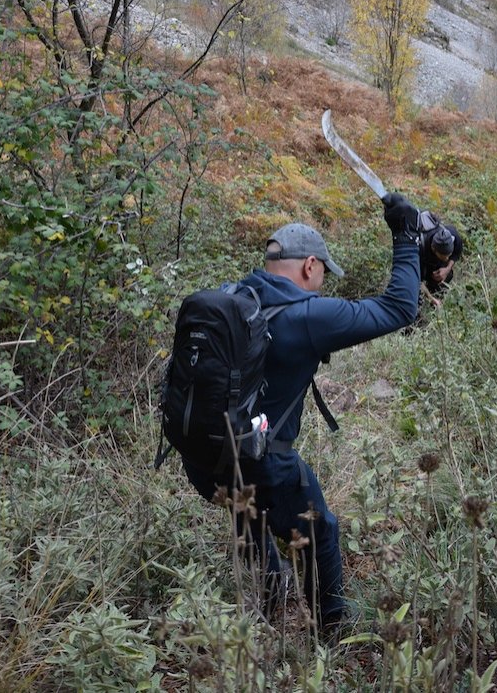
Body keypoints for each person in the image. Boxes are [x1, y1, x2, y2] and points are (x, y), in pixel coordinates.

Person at [178, 194, 420, 635]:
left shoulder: (233, 297)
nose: (322, 283)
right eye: (323, 273)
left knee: (247, 508)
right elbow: (401, 309)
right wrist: (405, 238)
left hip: (200, 458)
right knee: (320, 529)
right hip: (261, 461)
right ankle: (331, 632)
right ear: (309, 266)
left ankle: (270, 598)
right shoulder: (308, 315)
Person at [419, 219, 463, 307]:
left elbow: (457, 253)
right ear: (434, 249)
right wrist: (431, 298)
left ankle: (437, 295)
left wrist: (447, 269)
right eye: (444, 256)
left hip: (438, 269)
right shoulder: (420, 249)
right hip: (424, 269)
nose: (447, 258)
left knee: (449, 274)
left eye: (448, 255)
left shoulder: (453, 236)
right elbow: (417, 281)